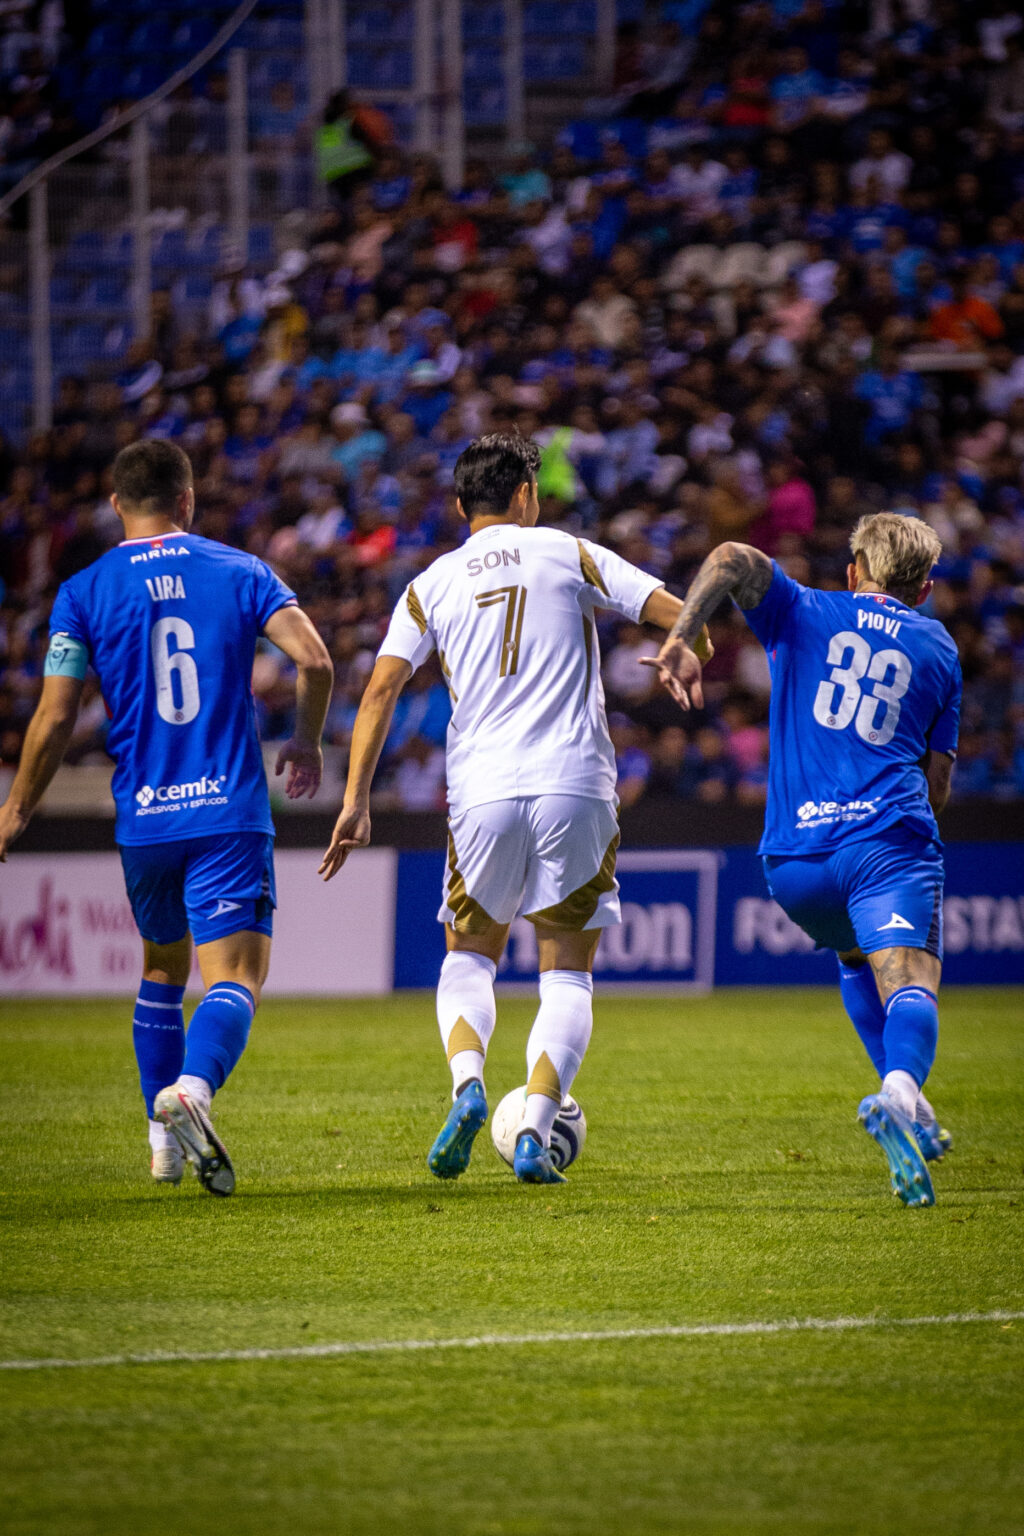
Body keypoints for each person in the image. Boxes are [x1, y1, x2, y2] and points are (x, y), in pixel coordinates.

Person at [319, 433, 709, 1185]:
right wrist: (685, 642)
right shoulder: (570, 552)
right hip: (576, 784)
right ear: (527, 496)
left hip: (483, 792)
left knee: (468, 954)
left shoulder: (429, 584)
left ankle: (468, 1085)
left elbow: (380, 690)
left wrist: (356, 800)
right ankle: (533, 1126)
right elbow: (670, 609)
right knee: (566, 972)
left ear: (462, 505)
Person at [0, 441, 333, 1196]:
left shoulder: (81, 591)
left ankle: (163, 1148)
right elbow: (314, 660)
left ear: (118, 505)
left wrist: (15, 811)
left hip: (144, 820)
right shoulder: (242, 570)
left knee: (158, 967)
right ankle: (193, 1092)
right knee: (237, 977)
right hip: (227, 812)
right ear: (187, 501)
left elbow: (54, 718)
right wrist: (305, 740)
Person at [644, 513, 962, 1208]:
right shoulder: (938, 648)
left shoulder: (803, 608)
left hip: (794, 864)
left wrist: (679, 638)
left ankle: (908, 1105)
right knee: (909, 978)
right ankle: (902, 1093)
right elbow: (938, 781)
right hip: (884, 844)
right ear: (926, 587)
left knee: (853, 959)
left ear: (854, 570)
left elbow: (729, 555)